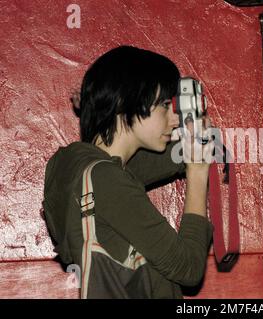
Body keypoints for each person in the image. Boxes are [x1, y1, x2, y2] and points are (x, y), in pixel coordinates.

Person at [42, 45, 214, 299]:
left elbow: (135, 170)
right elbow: (187, 267)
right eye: (165, 106)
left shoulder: (74, 168)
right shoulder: (107, 181)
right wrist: (198, 174)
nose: (174, 118)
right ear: (126, 101)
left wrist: (196, 143)